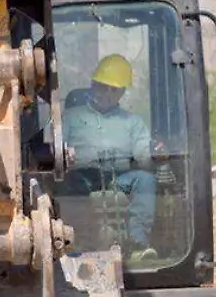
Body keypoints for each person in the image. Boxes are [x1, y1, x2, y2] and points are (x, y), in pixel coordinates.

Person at [59, 54, 158, 256]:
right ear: (93, 85)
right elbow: (55, 146)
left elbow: (143, 154)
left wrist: (153, 152)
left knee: (145, 180)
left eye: (114, 90)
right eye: (102, 86)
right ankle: (75, 242)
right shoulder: (70, 117)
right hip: (82, 175)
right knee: (68, 183)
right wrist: (63, 153)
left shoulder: (133, 122)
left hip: (119, 178)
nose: (107, 93)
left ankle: (138, 242)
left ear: (122, 93)